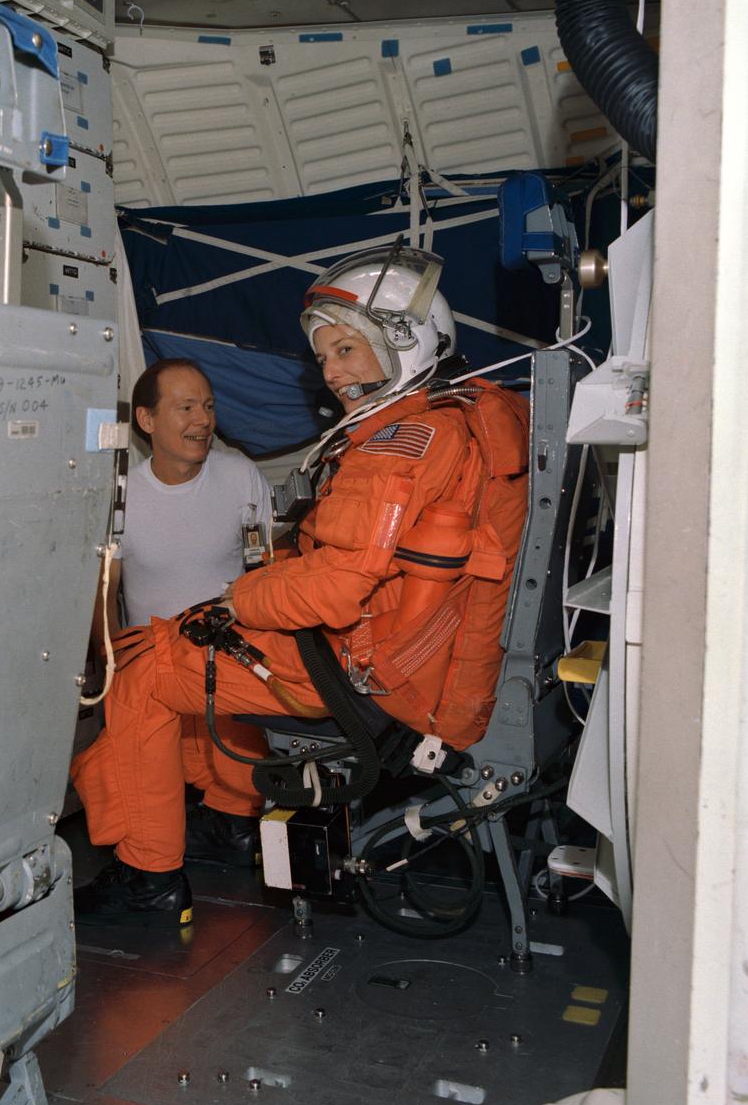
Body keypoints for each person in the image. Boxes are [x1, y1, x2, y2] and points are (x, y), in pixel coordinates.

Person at [71, 243, 530, 927]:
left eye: (347, 350)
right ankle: (228, 823)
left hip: (365, 671)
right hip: (415, 655)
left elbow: (337, 590)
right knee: (177, 642)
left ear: (403, 342)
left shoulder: (400, 445)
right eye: (324, 357)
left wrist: (237, 600)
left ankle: (150, 875)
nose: (332, 372)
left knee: (141, 670)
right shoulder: (470, 413)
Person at [98, 359, 275, 868]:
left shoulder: (240, 475)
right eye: (186, 407)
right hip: (150, 670)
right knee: (143, 783)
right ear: (147, 420)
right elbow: (105, 591)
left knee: (233, 766)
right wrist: (107, 668)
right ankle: (161, 852)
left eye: (209, 406)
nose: (203, 419)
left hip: (228, 661)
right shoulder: (120, 495)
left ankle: (233, 824)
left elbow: (264, 567)